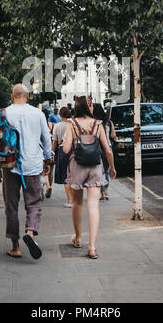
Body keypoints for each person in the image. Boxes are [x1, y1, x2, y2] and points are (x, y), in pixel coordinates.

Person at [0, 84, 53, 260]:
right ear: (27, 96)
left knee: (11, 206)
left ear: (12, 96)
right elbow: (46, 139)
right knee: (34, 203)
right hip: (32, 165)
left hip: (10, 166)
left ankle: (16, 247)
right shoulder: (38, 114)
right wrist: (48, 160)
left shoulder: (3, 113)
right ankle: (30, 233)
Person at [63, 95, 116, 259]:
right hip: (95, 166)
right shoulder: (98, 124)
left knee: (77, 203)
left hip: (77, 165)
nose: (92, 107)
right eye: (91, 105)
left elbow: (65, 150)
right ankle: (92, 247)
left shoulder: (71, 124)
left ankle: (78, 239)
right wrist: (112, 167)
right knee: (93, 206)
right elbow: (107, 150)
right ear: (87, 107)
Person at [93, 103, 116, 200]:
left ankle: (101, 192)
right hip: (108, 147)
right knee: (106, 171)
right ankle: (106, 192)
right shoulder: (109, 122)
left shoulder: (94, 122)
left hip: (97, 148)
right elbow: (113, 135)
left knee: (99, 171)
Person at [52, 106, 73, 207]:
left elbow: (54, 142)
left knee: (65, 176)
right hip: (73, 150)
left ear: (60, 115)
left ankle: (70, 200)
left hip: (62, 150)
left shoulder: (57, 126)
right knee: (73, 174)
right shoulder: (72, 124)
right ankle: (74, 199)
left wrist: (52, 154)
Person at [45, 107, 61, 198]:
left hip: (41, 150)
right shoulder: (51, 123)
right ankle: (49, 186)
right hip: (51, 148)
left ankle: (45, 186)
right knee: (50, 170)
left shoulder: (39, 124)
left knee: (41, 171)